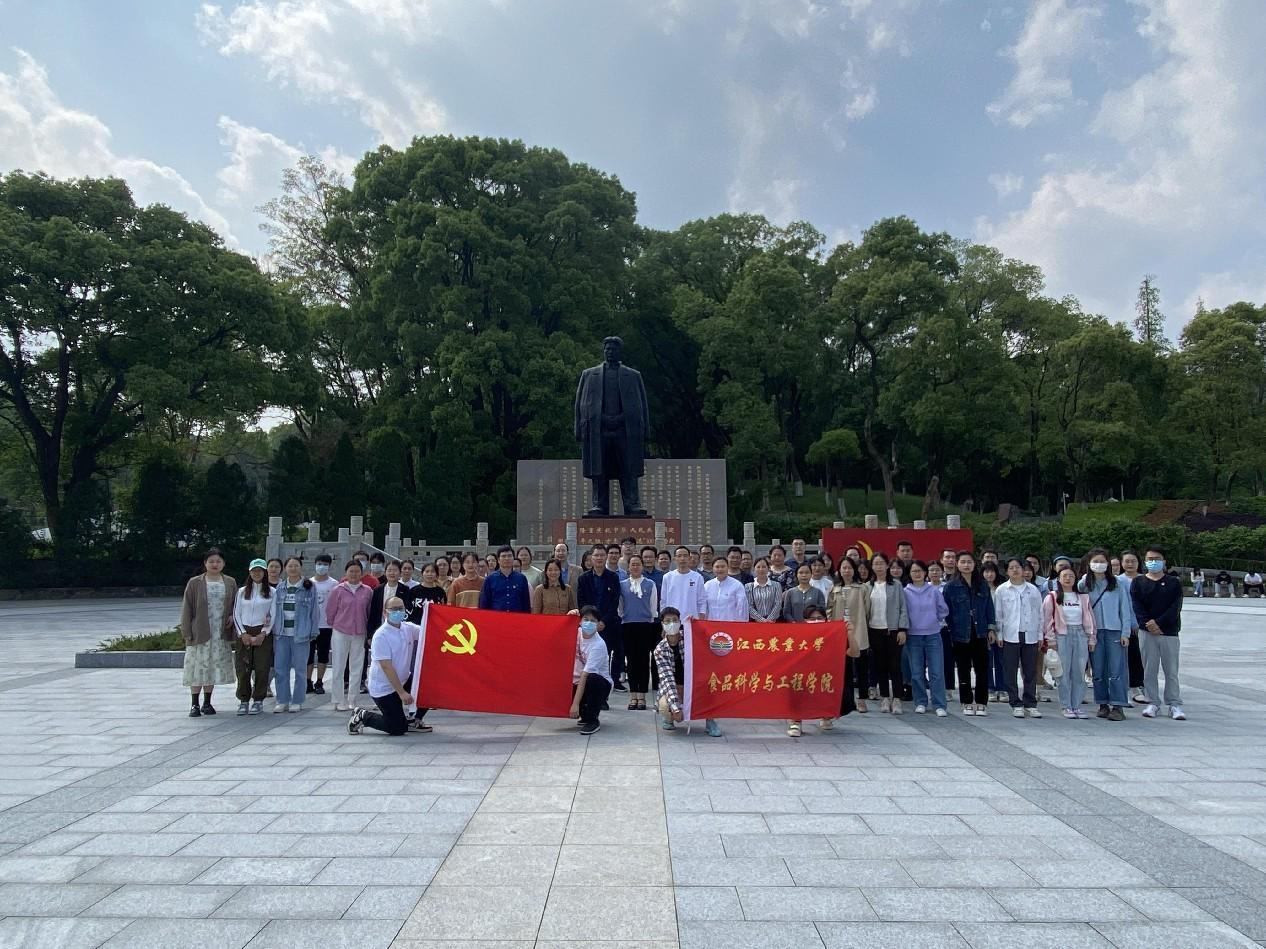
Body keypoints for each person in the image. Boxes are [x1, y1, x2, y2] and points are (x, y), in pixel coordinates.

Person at [347, 597, 425, 737]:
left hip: (404, 679)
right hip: (384, 688)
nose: (398, 612)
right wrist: (402, 693)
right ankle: (363, 716)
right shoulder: (380, 636)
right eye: (394, 609)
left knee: (428, 687)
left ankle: (414, 719)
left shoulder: (408, 628)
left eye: (400, 608)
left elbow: (428, 631)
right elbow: (386, 667)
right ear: (385, 612)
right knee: (397, 728)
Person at [180, 548, 237, 717]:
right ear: (205, 563)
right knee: (197, 667)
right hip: (200, 631)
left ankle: (207, 702)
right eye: (211, 561)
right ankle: (194, 704)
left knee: (211, 667)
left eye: (218, 561)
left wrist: (233, 616)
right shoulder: (195, 583)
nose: (215, 564)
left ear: (223, 563)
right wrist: (187, 631)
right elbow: (187, 608)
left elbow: (236, 604)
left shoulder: (230, 582)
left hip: (219, 632)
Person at [1131, 547, 1185, 720]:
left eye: (1157, 558)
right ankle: (1153, 702)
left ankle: (1174, 703)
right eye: (1150, 559)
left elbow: (1175, 606)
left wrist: (1159, 623)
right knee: (1149, 669)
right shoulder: (1138, 582)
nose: (1153, 561)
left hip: (1169, 631)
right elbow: (1137, 606)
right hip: (1147, 632)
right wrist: (1148, 624)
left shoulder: (1173, 582)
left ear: (1164, 561)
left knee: (1171, 670)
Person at [1079, 549, 1132, 721]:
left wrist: (1125, 633)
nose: (1099, 564)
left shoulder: (1117, 583)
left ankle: (1118, 705)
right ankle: (1102, 703)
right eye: (1095, 561)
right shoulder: (1085, 584)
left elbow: (1125, 608)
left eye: (1102, 561)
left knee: (1117, 669)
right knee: (1098, 669)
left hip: (1114, 630)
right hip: (1094, 632)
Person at [943, 551, 996, 716]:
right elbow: (946, 612)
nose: (966, 565)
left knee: (982, 669)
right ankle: (966, 701)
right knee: (963, 669)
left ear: (974, 564)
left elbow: (989, 608)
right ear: (957, 564)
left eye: (969, 562)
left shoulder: (982, 585)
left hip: (980, 632)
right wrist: (951, 630)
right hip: (960, 633)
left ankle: (981, 702)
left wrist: (991, 628)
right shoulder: (951, 587)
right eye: (963, 562)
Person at [653, 606, 721, 736]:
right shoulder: (660, 650)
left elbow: (707, 639)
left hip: (695, 684)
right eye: (667, 621)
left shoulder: (689, 637)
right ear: (662, 624)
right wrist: (675, 708)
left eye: (675, 620)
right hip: (675, 687)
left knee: (710, 687)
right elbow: (667, 679)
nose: (672, 624)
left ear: (680, 622)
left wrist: (696, 625)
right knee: (664, 705)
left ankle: (710, 721)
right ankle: (668, 718)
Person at [1041, 565, 1097, 719]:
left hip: (1080, 634)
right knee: (1063, 673)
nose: (1068, 578)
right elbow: (1047, 620)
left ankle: (1076, 705)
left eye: (1071, 576)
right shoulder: (1052, 597)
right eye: (1064, 576)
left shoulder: (1083, 598)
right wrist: (1050, 639)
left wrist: (1091, 638)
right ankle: (1066, 706)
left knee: (1079, 672)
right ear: (1058, 579)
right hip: (1061, 636)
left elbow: (1090, 619)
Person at [994, 558, 1044, 717]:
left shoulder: (1033, 590)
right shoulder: (1002, 590)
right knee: (1010, 670)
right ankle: (1015, 702)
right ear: (1007, 571)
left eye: (1018, 567)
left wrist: (1040, 634)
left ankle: (1030, 703)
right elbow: (998, 614)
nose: (1015, 570)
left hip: (1030, 634)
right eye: (1011, 568)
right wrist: (999, 634)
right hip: (1010, 634)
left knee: (1030, 670)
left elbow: (1040, 614)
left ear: (1024, 570)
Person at [272, 556, 320, 713]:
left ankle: (297, 700)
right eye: (290, 566)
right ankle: (282, 700)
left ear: (301, 567)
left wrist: (313, 631)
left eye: (296, 566)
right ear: (285, 568)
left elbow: (315, 611)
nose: (293, 568)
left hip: (301, 634)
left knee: (300, 669)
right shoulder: (280, 587)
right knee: (280, 668)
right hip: (281, 634)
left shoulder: (309, 586)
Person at [324, 560, 373, 712]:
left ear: (362, 573)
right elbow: (330, 611)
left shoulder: (367, 591)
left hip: (359, 632)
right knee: (338, 666)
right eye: (351, 571)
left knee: (357, 667)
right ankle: (338, 699)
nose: (354, 574)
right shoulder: (338, 590)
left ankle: (353, 699)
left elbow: (369, 611)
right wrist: (335, 624)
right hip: (341, 631)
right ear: (346, 572)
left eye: (357, 571)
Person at [903, 560, 949, 716]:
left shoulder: (933, 591)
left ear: (925, 573)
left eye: (920, 571)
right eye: (914, 571)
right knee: (916, 672)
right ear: (909, 574)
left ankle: (939, 704)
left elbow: (943, 610)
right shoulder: (905, 592)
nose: (917, 574)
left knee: (936, 671)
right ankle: (920, 701)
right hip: (913, 636)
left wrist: (934, 620)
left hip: (933, 635)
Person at [865, 553, 909, 713]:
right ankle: (884, 697)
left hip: (893, 630)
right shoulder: (867, 586)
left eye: (881, 563)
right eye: (875, 564)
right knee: (880, 665)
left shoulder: (896, 585)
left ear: (887, 565)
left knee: (895, 665)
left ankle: (897, 698)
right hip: (874, 630)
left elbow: (903, 607)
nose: (878, 567)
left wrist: (902, 629)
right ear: (872, 566)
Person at [232, 558, 276, 716]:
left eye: (260, 570)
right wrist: (242, 633)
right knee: (242, 668)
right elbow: (236, 613)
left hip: (262, 633)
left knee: (262, 668)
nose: (257, 573)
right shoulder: (242, 591)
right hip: (244, 631)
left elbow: (273, 614)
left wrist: (263, 633)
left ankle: (258, 700)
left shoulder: (272, 592)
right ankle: (244, 700)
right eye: (254, 571)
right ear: (249, 572)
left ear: (264, 573)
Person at [577, 544, 624, 691]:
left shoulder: (613, 577)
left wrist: (603, 621)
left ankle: (612, 681)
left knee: (610, 654)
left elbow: (614, 602)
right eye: (596, 555)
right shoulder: (583, 578)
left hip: (608, 623)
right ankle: (589, 684)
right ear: (591, 557)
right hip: (589, 625)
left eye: (602, 555)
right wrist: (592, 621)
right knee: (590, 656)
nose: (599, 558)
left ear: (606, 557)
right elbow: (581, 602)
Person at [830, 557, 871, 713]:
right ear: (839, 571)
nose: (846, 571)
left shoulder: (862, 588)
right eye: (844, 568)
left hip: (858, 630)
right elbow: (829, 610)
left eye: (849, 568)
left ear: (854, 570)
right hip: (839, 633)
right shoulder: (834, 589)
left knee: (861, 667)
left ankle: (862, 699)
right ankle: (847, 699)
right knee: (844, 668)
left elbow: (867, 610)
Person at [788, 605, 836, 737]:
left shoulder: (832, 634)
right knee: (795, 681)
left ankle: (826, 715)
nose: (816, 621)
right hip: (804, 672)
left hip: (824, 672)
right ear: (805, 620)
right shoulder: (799, 635)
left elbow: (853, 653)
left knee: (831, 680)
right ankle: (795, 721)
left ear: (825, 619)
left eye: (819, 618)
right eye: (812, 619)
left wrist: (850, 633)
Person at [619, 555, 659, 710]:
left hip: (645, 625)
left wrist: (650, 619)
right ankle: (633, 695)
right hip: (628, 625)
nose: (635, 567)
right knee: (631, 661)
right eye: (632, 564)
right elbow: (620, 606)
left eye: (638, 564)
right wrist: (623, 616)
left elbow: (653, 605)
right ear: (628, 567)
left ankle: (642, 696)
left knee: (643, 661)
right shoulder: (622, 585)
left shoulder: (650, 584)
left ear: (642, 566)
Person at [571, 605, 613, 735]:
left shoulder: (598, 645)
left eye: (593, 620)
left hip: (599, 684)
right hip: (579, 681)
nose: (589, 623)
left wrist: (575, 704)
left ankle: (593, 720)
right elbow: (561, 632)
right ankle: (585, 714)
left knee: (592, 678)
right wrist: (569, 617)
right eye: (586, 619)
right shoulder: (577, 633)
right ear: (580, 621)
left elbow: (585, 675)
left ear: (598, 624)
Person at [306, 554, 337, 696]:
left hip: (327, 625)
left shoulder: (334, 584)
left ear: (329, 566)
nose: (322, 567)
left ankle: (319, 681)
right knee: (309, 655)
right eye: (319, 564)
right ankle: (307, 681)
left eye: (325, 564)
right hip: (310, 625)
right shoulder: (308, 583)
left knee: (323, 654)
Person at [1120, 551, 1145, 703]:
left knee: (1143, 658)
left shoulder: (1145, 579)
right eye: (1127, 561)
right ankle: (1132, 687)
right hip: (1127, 625)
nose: (1130, 564)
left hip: (1145, 624)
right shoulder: (1118, 581)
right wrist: (1131, 623)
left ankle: (1141, 685)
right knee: (1129, 657)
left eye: (1133, 561)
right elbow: (1124, 604)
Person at [980, 561, 1006, 702]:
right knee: (987, 661)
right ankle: (990, 687)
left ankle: (1002, 688)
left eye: (992, 571)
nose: (989, 574)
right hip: (985, 630)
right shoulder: (979, 589)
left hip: (1002, 629)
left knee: (1001, 661)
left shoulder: (1002, 589)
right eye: (986, 571)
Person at [662, 546, 707, 625]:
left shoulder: (697, 577)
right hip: (672, 621)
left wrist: (701, 617)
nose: (682, 558)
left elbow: (702, 600)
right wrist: (664, 619)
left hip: (692, 620)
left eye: (685, 556)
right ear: (674, 559)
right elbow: (663, 600)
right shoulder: (667, 577)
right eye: (679, 556)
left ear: (689, 558)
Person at [479, 545, 532, 612]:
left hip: (516, 617)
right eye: (503, 556)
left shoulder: (521, 578)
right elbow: (484, 604)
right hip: (496, 617)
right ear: (498, 560)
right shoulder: (490, 579)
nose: (507, 559)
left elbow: (526, 604)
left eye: (509, 556)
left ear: (513, 558)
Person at [704, 557, 749, 622]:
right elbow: (704, 607)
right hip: (711, 624)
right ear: (713, 569)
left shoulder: (737, 585)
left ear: (728, 567)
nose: (720, 569)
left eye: (723, 567)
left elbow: (742, 608)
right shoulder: (707, 585)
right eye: (717, 567)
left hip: (730, 624)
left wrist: (741, 625)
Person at [746, 557, 781, 623]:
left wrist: (769, 619)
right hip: (756, 622)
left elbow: (778, 604)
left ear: (768, 568)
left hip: (773, 622)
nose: (761, 569)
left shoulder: (776, 585)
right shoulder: (748, 586)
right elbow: (749, 606)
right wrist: (761, 620)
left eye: (764, 567)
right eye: (758, 567)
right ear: (754, 569)